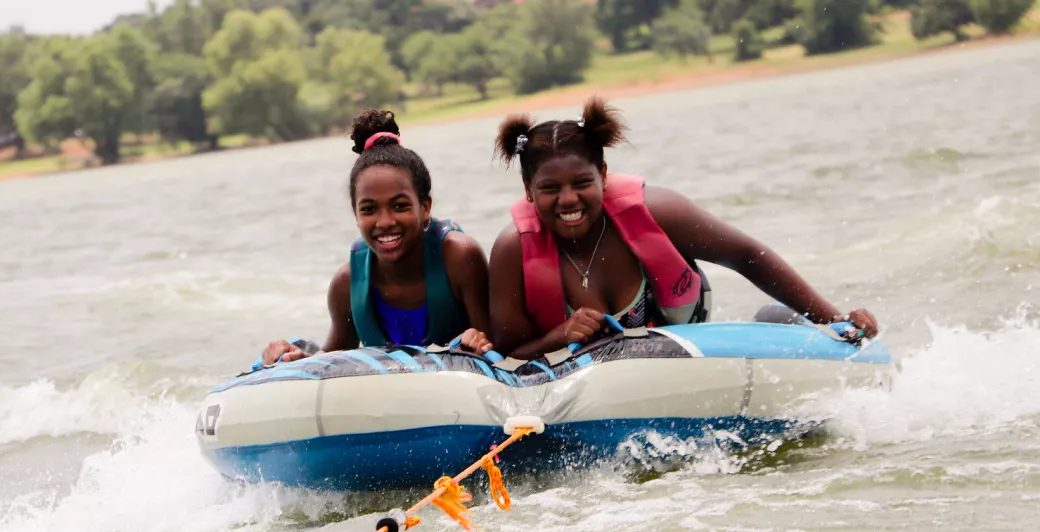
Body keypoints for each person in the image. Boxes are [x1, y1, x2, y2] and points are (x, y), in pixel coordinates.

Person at [488, 97, 879, 360]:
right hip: (587, 377)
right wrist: (564, 334)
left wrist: (833, 320)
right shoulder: (512, 250)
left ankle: (779, 320)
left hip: (683, 340)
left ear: (604, 176)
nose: (568, 199)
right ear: (528, 190)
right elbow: (509, 354)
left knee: (780, 323)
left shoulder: (658, 211)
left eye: (582, 183)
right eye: (549, 189)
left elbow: (746, 256)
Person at [259, 109, 493, 366]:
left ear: (425, 207)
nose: (385, 222)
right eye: (369, 209)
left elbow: (496, 342)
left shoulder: (459, 258)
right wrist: (294, 358)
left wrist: (478, 339)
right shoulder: (346, 284)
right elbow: (334, 357)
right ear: (355, 214)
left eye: (400, 206)